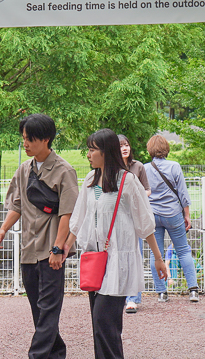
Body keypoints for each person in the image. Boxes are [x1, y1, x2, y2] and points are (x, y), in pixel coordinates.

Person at [68, 129, 167, 359]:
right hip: (96, 261)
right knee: (100, 325)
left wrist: (158, 258)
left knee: (105, 322)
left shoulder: (127, 180)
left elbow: (145, 223)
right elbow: (78, 218)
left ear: (106, 151)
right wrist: (63, 248)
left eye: (93, 149)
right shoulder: (90, 180)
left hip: (118, 262)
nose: (89, 154)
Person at [0, 114, 79, 359]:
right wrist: (3, 229)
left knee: (48, 311)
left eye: (30, 139)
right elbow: (17, 205)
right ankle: (57, 353)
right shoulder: (24, 170)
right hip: (28, 250)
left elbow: (68, 214)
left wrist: (57, 249)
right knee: (39, 311)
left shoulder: (64, 171)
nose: (26, 144)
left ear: (46, 139)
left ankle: (37, 356)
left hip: (51, 251)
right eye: (24, 139)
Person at [145, 133, 200, 303]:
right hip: (173, 214)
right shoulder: (174, 166)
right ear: (166, 148)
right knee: (183, 250)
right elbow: (183, 192)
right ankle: (193, 290)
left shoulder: (145, 168)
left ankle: (162, 292)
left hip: (153, 215)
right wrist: (187, 215)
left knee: (157, 254)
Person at [118, 135, 150, 314]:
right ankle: (120, 296)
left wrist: (137, 197)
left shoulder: (138, 166)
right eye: (121, 146)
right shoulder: (111, 167)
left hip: (134, 217)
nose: (125, 148)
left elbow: (147, 190)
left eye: (127, 145)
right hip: (116, 218)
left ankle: (133, 298)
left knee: (135, 255)